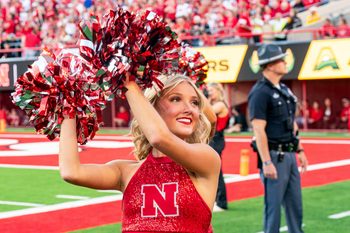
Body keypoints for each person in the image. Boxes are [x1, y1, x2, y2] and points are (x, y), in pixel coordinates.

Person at [59, 73, 221, 232]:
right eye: (175, 99)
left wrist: (127, 79)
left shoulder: (207, 158)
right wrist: (69, 107)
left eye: (194, 103)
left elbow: (159, 138)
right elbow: (72, 172)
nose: (189, 109)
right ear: (151, 108)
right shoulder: (126, 172)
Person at [248, 43, 308, 233]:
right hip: (274, 156)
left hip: (289, 155)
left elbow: (292, 123)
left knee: (295, 207)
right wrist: (266, 162)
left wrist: (300, 150)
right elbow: (259, 130)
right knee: (273, 210)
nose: (284, 62)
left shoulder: (284, 89)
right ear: (270, 65)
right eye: (281, 59)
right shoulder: (260, 93)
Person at [207, 82, 229, 212]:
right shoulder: (214, 104)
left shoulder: (220, 104)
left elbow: (207, 113)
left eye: (211, 91)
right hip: (213, 139)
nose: (209, 93)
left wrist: (205, 99)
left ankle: (221, 201)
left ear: (218, 91)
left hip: (217, 139)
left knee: (216, 171)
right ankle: (216, 200)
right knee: (212, 170)